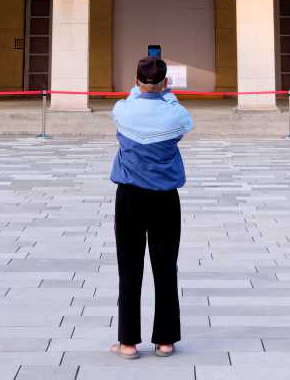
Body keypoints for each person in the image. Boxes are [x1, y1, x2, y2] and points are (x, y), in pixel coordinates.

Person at [109, 56, 194, 359]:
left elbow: (127, 102)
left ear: (136, 81)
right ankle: (166, 340)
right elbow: (185, 122)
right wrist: (165, 97)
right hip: (165, 198)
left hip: (130, 196)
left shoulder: (123, 110)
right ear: (165, 83)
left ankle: (128, 342)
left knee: (129, 269)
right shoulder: (175, 114)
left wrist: (140, 93)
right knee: (165, 267)